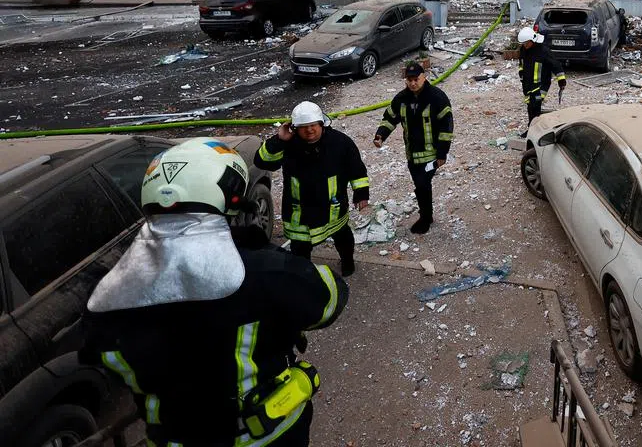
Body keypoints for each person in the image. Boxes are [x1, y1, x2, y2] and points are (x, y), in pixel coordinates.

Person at [81, 138, 348, 447]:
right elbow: (330, 300)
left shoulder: (109, 294)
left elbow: (106, 360)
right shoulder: (266, 272)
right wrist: (259, 250)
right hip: (265, 437)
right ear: (226, 202)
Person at [255, 100, 369, 277]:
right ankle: (304, 276)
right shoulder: (288, 144)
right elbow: (262, 162)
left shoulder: (340, 142)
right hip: (300, 213)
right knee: (300, 247)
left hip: (332, 208)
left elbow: (356, 168)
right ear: (295, 128)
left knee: (343, 238)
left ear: (321, 123)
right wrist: (279, 140)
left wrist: (361, 193)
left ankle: (348, 263)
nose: (309, 130)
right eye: (304, 127)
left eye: (313, 125)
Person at [373, 62, 453, 234]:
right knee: (419, 184)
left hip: (431, 155)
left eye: (416, 79)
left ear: (424, 77)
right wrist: (381, 135)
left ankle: (425, 217)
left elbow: (446, 127)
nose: (413, 83)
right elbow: (389, 118)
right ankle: (426, 215)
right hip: (412, 154)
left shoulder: (437, 98)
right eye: (409, 80)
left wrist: (442, 153)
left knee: (423, 184)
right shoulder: (401, 99)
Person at [517, 25, 566, 132]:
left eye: (526, 43)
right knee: (530, 106)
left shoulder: (543, 51)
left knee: (535, 105)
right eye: (523, 44)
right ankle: (532, 128)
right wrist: (521, 73)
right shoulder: (524, 50)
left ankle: (535, 130)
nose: (525, 45)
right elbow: (521, 63)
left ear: (532, 40)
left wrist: (561, 80)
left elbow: (556, 65)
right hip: (527, 84)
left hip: (541, 84)